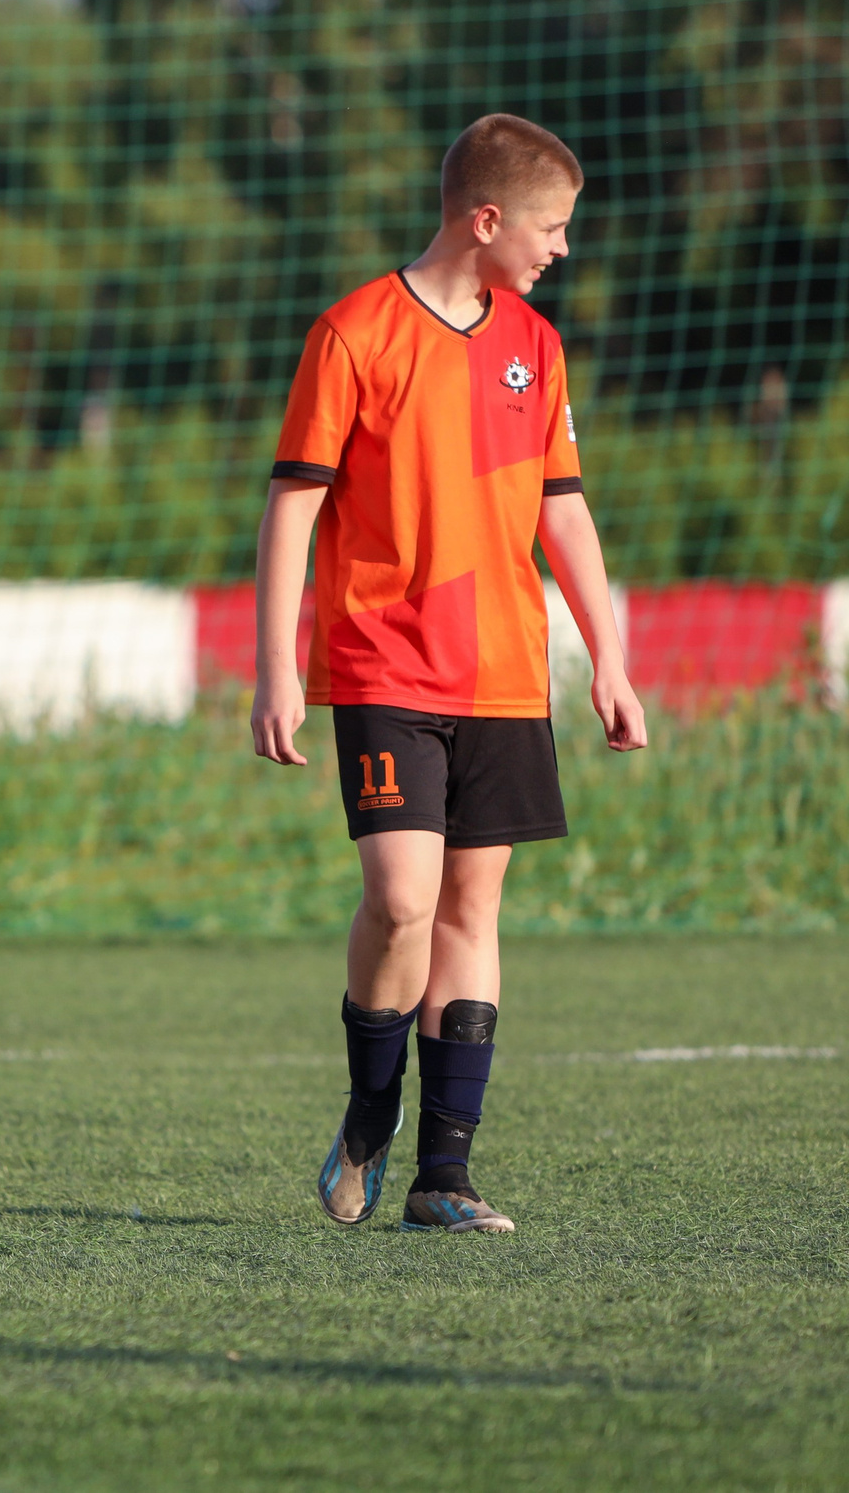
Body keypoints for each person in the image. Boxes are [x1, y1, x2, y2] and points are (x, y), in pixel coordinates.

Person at [250, 114, 647, 1234]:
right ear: (486, 221)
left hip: (506, 670)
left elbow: (560, 512)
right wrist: (277, 663)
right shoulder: (353, 335)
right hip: (382, 658)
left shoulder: (537, 344)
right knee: (403, 899)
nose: (562, 247)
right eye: (550, 227)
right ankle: (368, 1115)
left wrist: (608, 657)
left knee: (471, 906)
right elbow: (294, 503)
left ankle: (443, 1176)